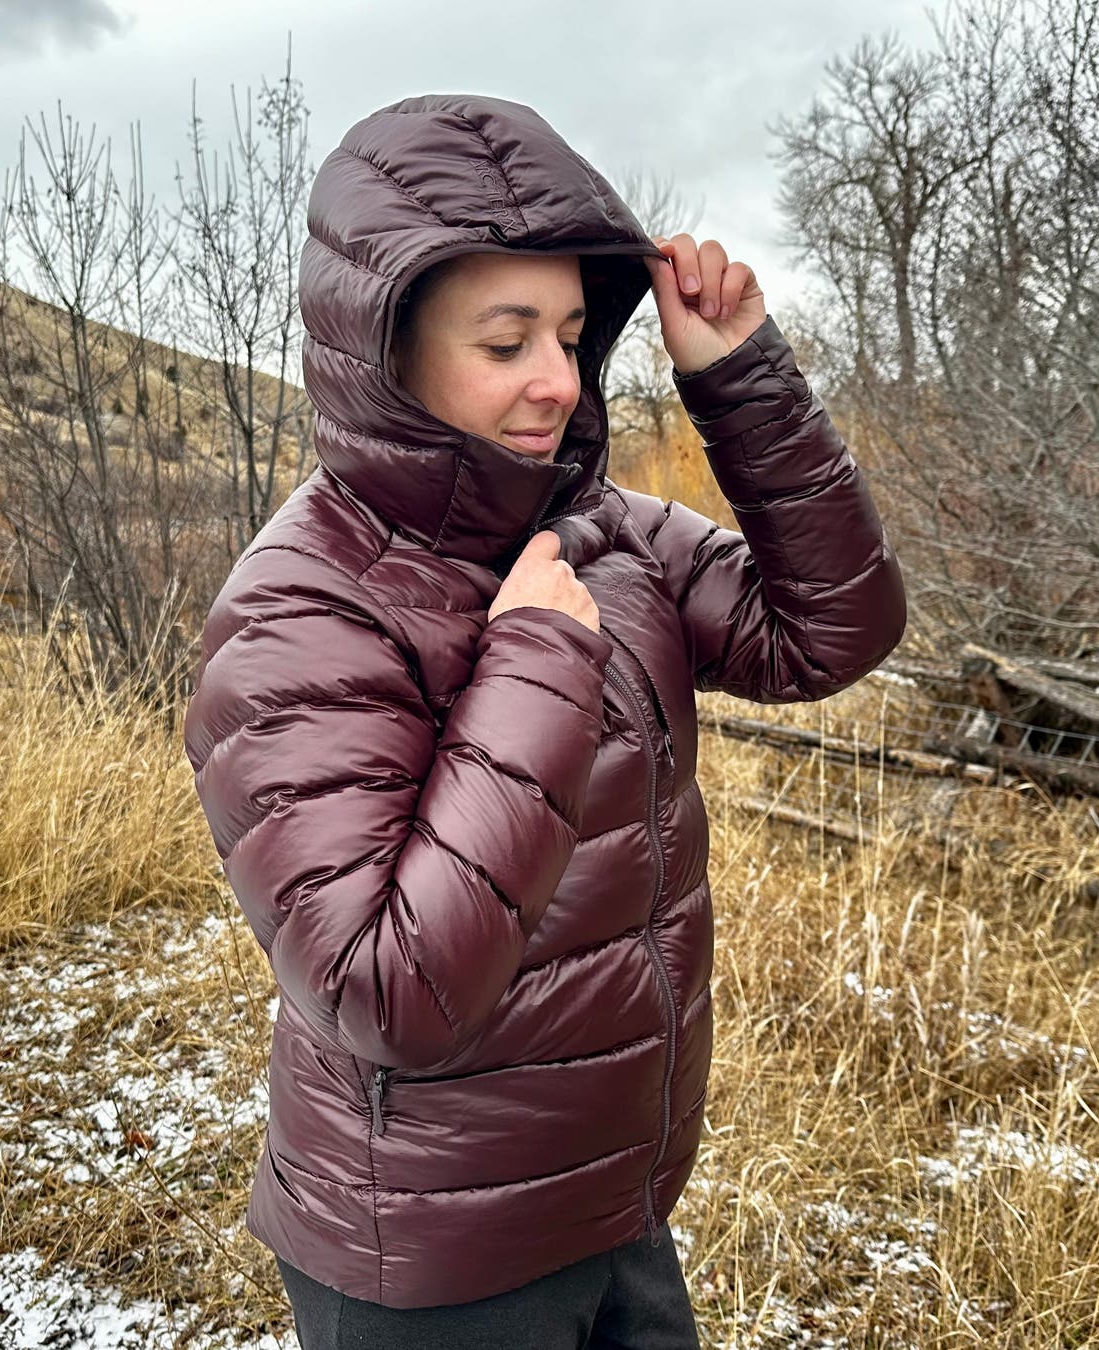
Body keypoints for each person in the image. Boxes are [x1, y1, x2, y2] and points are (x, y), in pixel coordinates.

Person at [182, 93, 909, 1348]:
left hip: (613, 1200)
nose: (555, 382)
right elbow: (389, 987)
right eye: (506, 338)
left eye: (573, 334)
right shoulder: (300, 609)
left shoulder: (601, 529)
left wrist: (739, 379)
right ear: (386, 348)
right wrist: (533, 659)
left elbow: (831, 630)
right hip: (434, 1253)